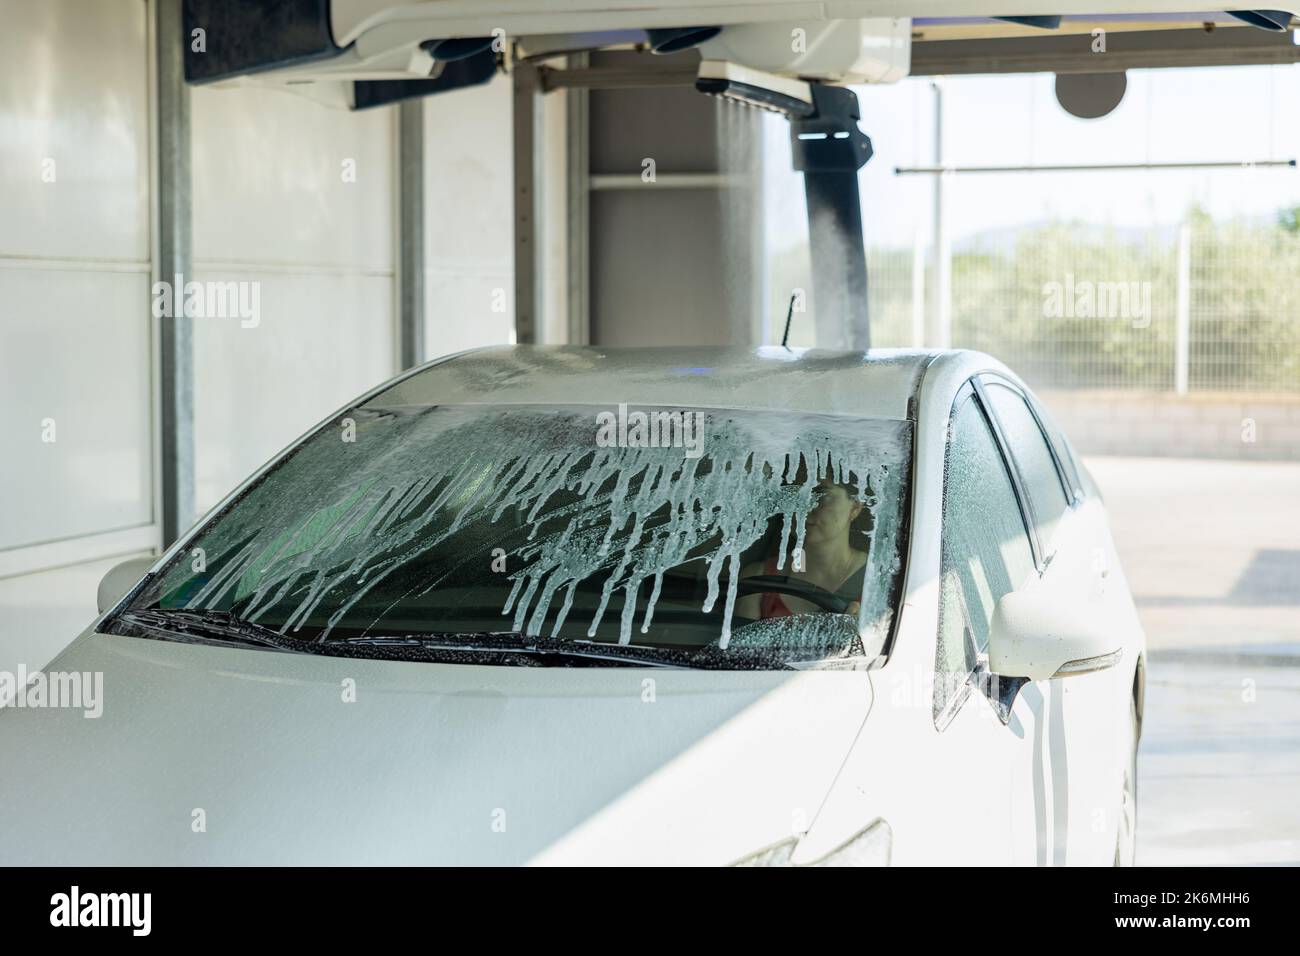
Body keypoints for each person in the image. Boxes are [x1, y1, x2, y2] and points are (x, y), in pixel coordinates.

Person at [734, 474, 869, 620]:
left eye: (820, 495)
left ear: (855, 506)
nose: (803, 507)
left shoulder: (881, 583)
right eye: (793, 494)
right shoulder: (758, 579)